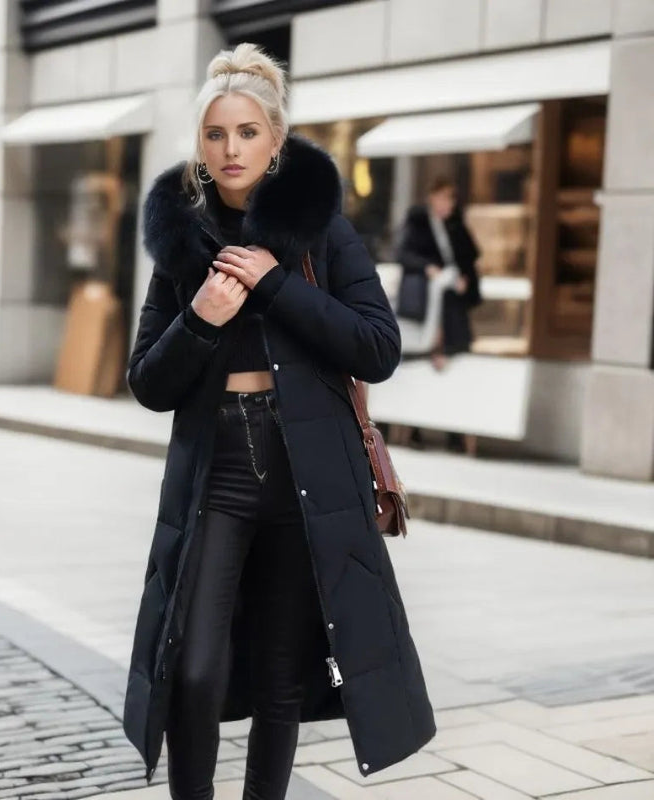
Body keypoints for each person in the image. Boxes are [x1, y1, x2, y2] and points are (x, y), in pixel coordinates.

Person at [122, 43, 435, 799]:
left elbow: (378, 346)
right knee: (193, 671)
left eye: (247, 133)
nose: (231, 149)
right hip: (218, 471)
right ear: (200, 145)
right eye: (216, 135)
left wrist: (273, 286)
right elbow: (148, 384)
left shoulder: (322, 233)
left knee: (281, 680)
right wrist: (198, 318)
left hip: (308, 472)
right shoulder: (181, 242)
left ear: (276, 142)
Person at [395, 177, 482, 452]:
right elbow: (404, 254)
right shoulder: (419, 221)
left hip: (451, 310)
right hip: (425, 310)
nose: (447, 204)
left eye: (451, 199)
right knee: (421, 365)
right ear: (432, 197)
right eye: (443, 198)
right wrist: (428, 268)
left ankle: (453, 433)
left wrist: (464, 280)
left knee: (453, 366)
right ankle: (415, 429)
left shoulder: (455, 226)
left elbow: (468, 261)